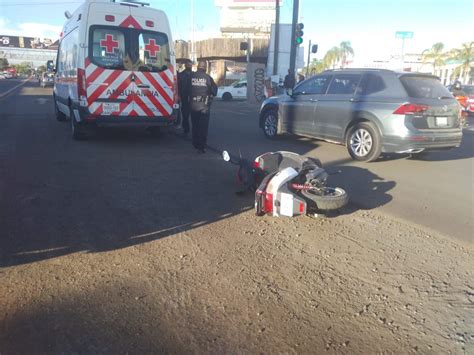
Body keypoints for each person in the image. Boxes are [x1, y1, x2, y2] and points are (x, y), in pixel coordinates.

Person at [189, 61, 218, 154]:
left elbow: (185, 89)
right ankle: (201, 147)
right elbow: (214, 91)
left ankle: (195, 143)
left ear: (198, 67)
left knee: (195, 125)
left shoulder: (191, 76)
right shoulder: (208, 78)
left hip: (193, 104)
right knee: (203, 127)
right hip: (204, 106)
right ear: (205, 68)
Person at [177, 59, 193, 136]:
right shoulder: (182, 75)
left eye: (190, 65)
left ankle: (187, 129)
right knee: (186, 114)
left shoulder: (181, 75)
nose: (190, 66)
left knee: (187, 114)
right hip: (187, 96)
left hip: (188, 97)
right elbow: (178, 86)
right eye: (189, 65)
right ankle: (186, 129)